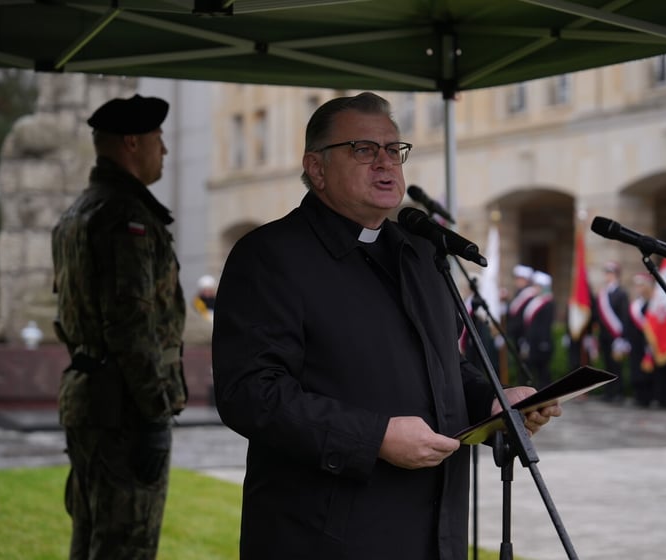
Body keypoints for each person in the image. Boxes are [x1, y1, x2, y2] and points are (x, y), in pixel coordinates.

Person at [211, 92, 562, 560]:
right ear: (316, 168)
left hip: (436, 532)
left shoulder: (419, 254)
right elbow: (251, 393)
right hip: (326, 536)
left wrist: (496, 402)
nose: (385, 163)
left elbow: (442, 368)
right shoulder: (269, 256)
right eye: (363, 149)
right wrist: (373, 437)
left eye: (393, 150)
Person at [51, 94, 188, 560]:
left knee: (91, 538)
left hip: (92, 399)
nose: (164, 150)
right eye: (158, 139)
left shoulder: (81, 211)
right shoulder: (125, 216)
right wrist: (153, 414)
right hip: (123, 407)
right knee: (125, 546)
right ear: (133, 142)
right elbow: (130, 324)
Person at [595, 261, 629, 403]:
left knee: (617, 366)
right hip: (604, 335)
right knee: (607, 365)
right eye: (606, 273)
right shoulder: (603, 294)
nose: (607, 276)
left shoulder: (621, 293)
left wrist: (622, 338)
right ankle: (609, 392)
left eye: (610, 273)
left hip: (616, 336)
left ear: (616, 275)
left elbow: (624, 316)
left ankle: (618, 392)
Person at [625, 272, 656, 408]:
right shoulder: (635, 305)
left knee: (647, 371)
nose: (638, 288)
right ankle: (638, 395)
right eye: (636, 285)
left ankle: (647, 397)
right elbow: (628, 323)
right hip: (635, 343)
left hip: (647, 342)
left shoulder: (652, 304)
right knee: (635, 370)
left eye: (640, 285)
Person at [521, 270, 556, 389]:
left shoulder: (547, 303)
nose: (534, 288)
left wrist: (544, 342)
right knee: (532, 371)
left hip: (542, 343)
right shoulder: (535, 301)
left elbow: (545, 325)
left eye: (537, 286)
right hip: (532, 342)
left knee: (543, 372)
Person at [505, 263, 537, 384]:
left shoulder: (529, 296)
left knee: (526, 367)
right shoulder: (520, 294)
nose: (517, 281)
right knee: (520, 365)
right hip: (518, 335)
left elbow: (524, 318)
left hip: (525, 335)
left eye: (520, 278)